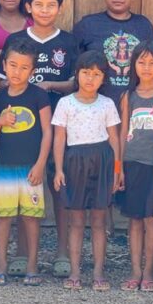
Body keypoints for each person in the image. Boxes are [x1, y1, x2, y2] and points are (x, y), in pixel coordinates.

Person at [0, 0, 80, 278]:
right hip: (22, 129)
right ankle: (20, 252)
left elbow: (76, 82)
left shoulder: (68, 42)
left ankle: (61, 251)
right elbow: (0, 80)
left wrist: (48, 86)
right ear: (28, 7)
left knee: (58, 185)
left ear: (60, 7)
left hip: (59, 124)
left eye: (51, 4)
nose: (45, 10)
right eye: (39, 4)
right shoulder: (17, 40)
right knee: (22, 186)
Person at [52, 51, 122, 291]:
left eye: (96, 74)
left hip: (102, 160)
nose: (90, 79)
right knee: (77, 219)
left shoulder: (107, 104)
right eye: (85, 73)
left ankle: (99, 273)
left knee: (99, 221)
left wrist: (117, 169)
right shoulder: (65, 103)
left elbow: (114, 139)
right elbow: (59, 139)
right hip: (74, 162)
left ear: (104, 78)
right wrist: (59, 169)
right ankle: (74, 272)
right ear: (77, 74)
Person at [0, 40, 53, 286]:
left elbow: (48, 132)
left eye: (24, 67)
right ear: (4, 65)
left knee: (31, 218)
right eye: (12, 65)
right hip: (6, 167)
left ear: (33, 71)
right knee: (4, 217)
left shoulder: (39, 95)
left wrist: (40, 165)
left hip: (31, 168)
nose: (17, 72)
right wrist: (0, 121)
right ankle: (1, 265)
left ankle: (32, 266)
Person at [117, 42, 153, 293]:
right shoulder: (128, 96)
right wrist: (118, 168)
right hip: (132, 163)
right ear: (133, 65)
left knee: (152, 220)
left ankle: (149, 272)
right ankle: (135, 271)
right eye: (141, 62)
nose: (147, 67)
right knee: (135, 220)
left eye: (152, 62)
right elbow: (121, 134)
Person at [73, 0, 153, 105]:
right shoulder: (88, 25)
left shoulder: (143, 26)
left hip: (136, 105)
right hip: (94, 106)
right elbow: (74, 68)